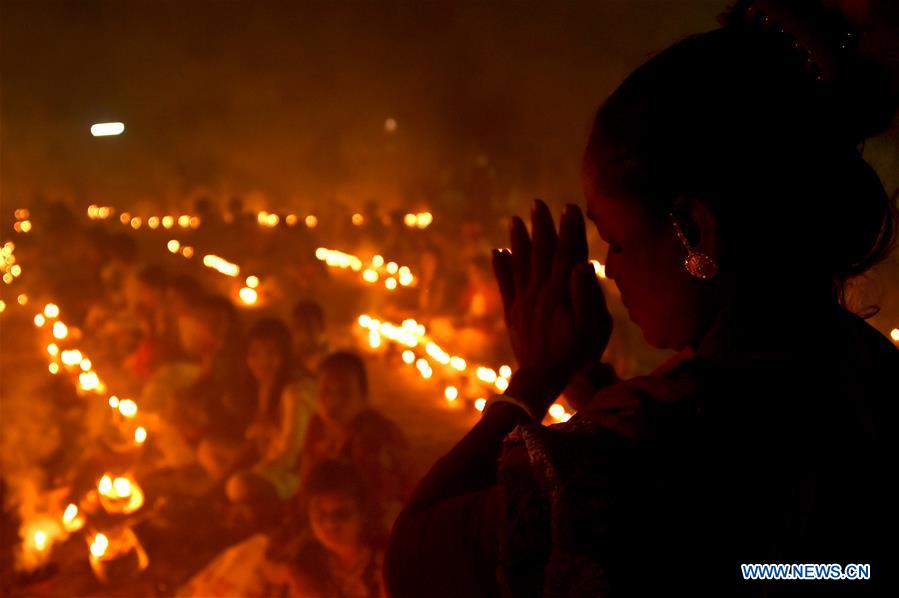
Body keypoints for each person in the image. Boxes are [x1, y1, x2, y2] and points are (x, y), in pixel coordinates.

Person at [386, 1, 898, 596]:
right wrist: (592, 389)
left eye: (617, 240)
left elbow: (413, 559)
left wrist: (534, 380)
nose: (608, 267)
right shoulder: (872, 376)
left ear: (694, 232)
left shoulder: (632, 459)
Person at [301, 351, 411, 529]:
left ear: (363, 397)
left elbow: (379, 501)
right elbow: (307, 485)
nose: (333, 401)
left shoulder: (377, 436)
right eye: (325, 392)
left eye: (344, 393)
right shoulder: (317, 426)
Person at [225, 318, 316, 513]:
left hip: (292, 475)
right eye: (254, 354)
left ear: (285, 355)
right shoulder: (265, 385)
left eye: (271, 353)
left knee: (238, 485)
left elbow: (290, 453)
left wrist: (256, 469)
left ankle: (263, 508)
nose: (262, 362)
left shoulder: (296, 392)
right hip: (269, 464)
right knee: (209, 450)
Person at [280, 460, 387, 598]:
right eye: (320, 514)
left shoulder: (387, 558)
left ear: (362, 513)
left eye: (341, 513)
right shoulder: (307, 562)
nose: (330, 524)